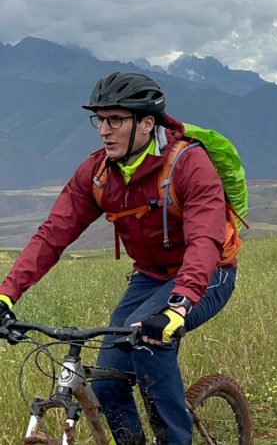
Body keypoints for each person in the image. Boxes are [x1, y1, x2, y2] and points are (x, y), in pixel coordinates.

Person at [0, 71, 244, 444]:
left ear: (147, 123)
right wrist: (6, 294)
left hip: (210, 272)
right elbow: (52, 236)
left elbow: (204, 240)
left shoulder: (189, 164)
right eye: (100, 119)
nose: (104, 130)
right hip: (150, 275)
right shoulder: (98, 173)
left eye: (115, 119)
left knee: (148, 339)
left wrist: (178, 306)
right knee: (108, 380)